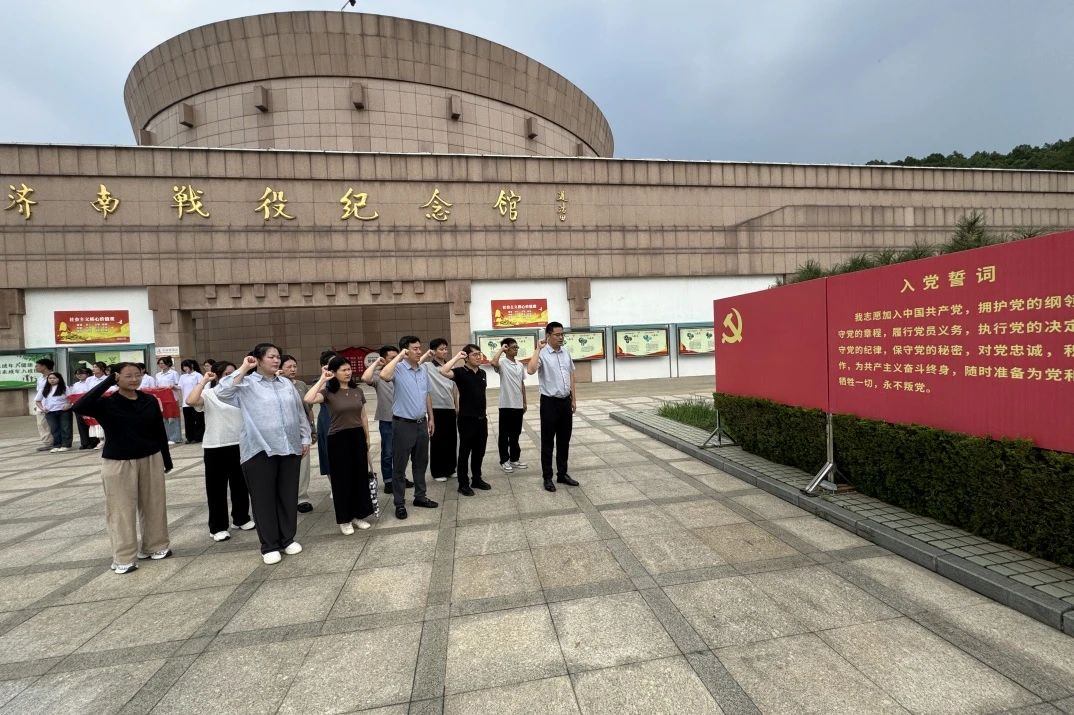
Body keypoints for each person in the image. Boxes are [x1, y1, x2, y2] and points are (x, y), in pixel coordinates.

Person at [73, 362, 172, 575]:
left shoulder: (149, 400)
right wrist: (108, 381)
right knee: (121, 510)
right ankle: (124, 557)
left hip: (150, 457)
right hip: (118, 462)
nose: (134, 379)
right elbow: (79, 406)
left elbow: (158, 430)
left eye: (138, 375)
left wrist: (166, 458)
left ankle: (156, 545)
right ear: (117, 377)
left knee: (154, 505)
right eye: (128, 376)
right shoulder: (106, 403)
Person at [215, 344, 310, 565]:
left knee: (287, 495)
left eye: (278, 357)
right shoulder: (246, 384)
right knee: (263, 499)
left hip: (289, 447)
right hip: (259, 449)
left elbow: (299, 412)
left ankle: (287, 538)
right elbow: (222, 391)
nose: (276, 360)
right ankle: (269, 545)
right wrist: (243, 368)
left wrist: (304, 438)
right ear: (257, 360)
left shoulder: (286, 384)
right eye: (271, 357)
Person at [304, 356, 375, 533]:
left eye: (349, 369)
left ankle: (359, 515)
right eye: (343, 370)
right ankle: (345, 519)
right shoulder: (328, 393)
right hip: (338, 438)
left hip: (357, 436)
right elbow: (308, 399)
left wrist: (366, 438)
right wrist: (322, 379)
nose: (348, 372)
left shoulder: (357, 390)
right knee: (342, 480)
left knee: (359, 477)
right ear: (334, 373)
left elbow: (363, 416)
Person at [186, 361, 255, 542]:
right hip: (216, 446)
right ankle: (217, 527)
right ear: (217, 377)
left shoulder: (242, 393)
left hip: (240, 444)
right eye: (227, 374)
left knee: (241, 485)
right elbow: (190, 401)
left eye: (235, 373)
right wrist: (203, 381)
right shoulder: (209, 394)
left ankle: (241, 518)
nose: (232, 377)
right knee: (216, 489)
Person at [379, 336, 439, 519]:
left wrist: (431, 418)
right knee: (399, 466)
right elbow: (384, 376)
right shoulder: (397, 368)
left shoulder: (422, 370)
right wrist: (399, 357)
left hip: (421, 423)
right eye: (415, 348)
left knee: (421, 463)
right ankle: (399, 503)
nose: (419, 351)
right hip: (403, 424)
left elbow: (427, 395)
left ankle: (420, 496)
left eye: (420, 348)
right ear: (405, 351)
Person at [527, 322, 581, 492]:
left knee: (564, 440)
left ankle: (562, 474)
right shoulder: (542, 353)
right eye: (557, 334)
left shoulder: (566, 352)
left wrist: (573, 399)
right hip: (549, 403)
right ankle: (547, 477)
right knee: (548, 441)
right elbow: (530, 370)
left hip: (565, 402)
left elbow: (571, 375)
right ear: (548, 336)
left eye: (562, 334)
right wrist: (537, 349)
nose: (561, 337)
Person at [439, 344, 493, 496]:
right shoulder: (460, 372)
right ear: (466, 357)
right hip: (467, 419)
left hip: (481, 419)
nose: (478, 357)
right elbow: (443, 371)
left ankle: (477, 479)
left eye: (479, 354)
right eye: (474, 354)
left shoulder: (482, 372)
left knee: (479, 452)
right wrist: (457, 357)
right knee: (464, 452)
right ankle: (463, 484)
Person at [361, 345, 413, 494]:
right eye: (392, 358)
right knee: (388, 452)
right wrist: (377, 363)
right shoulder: (379, 375)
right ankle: (389, 480)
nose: (397, 360)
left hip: (403, 419)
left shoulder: (402, 372)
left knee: (402, 452)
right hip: (387, 420)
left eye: (398, 357)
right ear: (384, 359)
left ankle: (400, 477)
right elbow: (365, 378)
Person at [280, 354, 314, 513]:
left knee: (303, 465)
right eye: (289, 367)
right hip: (282, 432)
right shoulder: (275, 385)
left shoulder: (301, 385)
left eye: (295, 366)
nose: (293, 369)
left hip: (301, 431)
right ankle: (285, 497)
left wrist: (312, 428)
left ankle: (302, 497)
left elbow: (308, 409)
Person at [490, 338, 528, 472]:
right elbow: (493, 362)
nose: (516, 349)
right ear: (506, 349)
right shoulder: (502, 363)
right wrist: (501, 349)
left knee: (515, 434)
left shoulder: (520, 364)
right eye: (513, 347)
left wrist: (524, 401)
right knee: (504, 435)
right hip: (506, 404)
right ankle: (504, 460)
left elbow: (522, 383)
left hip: (518, 404)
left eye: (517, 347)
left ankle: (514, 459)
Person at [423, 338, 458, 482]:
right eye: (441, 349)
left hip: (450, 408)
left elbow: (454, 388)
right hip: (436, 408)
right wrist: (427, 354)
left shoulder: (449, 366)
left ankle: (450, 469)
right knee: (438, 440)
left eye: (445, 348)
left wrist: (456, 405)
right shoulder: (427, 366)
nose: (445, 351)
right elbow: (416, 364)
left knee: (451, 439)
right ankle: (438, 472)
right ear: (433, 351)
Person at [37, 372, 73, 452]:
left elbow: (71, 398)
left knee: (66, 428)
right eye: (50, 378)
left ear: (59, 379)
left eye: (54, 378)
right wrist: (42, 409)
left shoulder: (64, 388)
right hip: (50, 412)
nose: (52, 380)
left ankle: (66, 445)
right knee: (54, 429)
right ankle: (57, 445)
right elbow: (37, 401)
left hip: (63, 411)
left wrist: (68, 404)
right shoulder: (44, 389)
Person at [316, 350, 337, 480]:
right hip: (327, 422)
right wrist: (323, 377)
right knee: (329, 456)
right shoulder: (321, 382)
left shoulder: (344, 380)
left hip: (345, 421)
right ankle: (334, 486)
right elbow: (315, 397)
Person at [68, 368, 99, 449]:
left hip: (89, 406)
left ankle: (94, 442)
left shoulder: (91, 382)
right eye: (77, 374)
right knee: (81, 425)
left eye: (82, 373)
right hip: (79, 406)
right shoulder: (76, 384)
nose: (79, 375)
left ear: (88, 374)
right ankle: (85, 442)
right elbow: (73, 395)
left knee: (92, 424)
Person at [154, 357, 183, 444]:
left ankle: (175, 438)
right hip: (162, 398)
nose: (161, 365)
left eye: (163, 363)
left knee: (173, 418)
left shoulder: (173, 373)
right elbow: (156, 386)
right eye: (159, 363)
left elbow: (179, 386)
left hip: (172, 398)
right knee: (164, 418)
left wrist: (172, 386)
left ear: (168, 363)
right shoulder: (158, 375)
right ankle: (166, 437)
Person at [178, 359, 205, 444]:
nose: (184, 368)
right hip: (186, 402)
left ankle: (198, 437)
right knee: (188, 421)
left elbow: (202, 387)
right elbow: (180, 387)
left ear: (192, 365)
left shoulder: (198, 375)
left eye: (186, 366)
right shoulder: (182, 377)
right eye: (183, 366)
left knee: (198, 420)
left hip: (196, 401)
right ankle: (189, 438)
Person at [32, 358, 54, 452]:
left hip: (53, 405)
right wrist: (37, 404)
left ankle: (57, 442)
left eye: (37, 366)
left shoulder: (54, 376)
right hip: (41, 405)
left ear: (44, 366)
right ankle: (48, 443)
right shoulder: (40, 379)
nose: (35, 367)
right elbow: (39, 393)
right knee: (42, 424)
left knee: (54, 424)